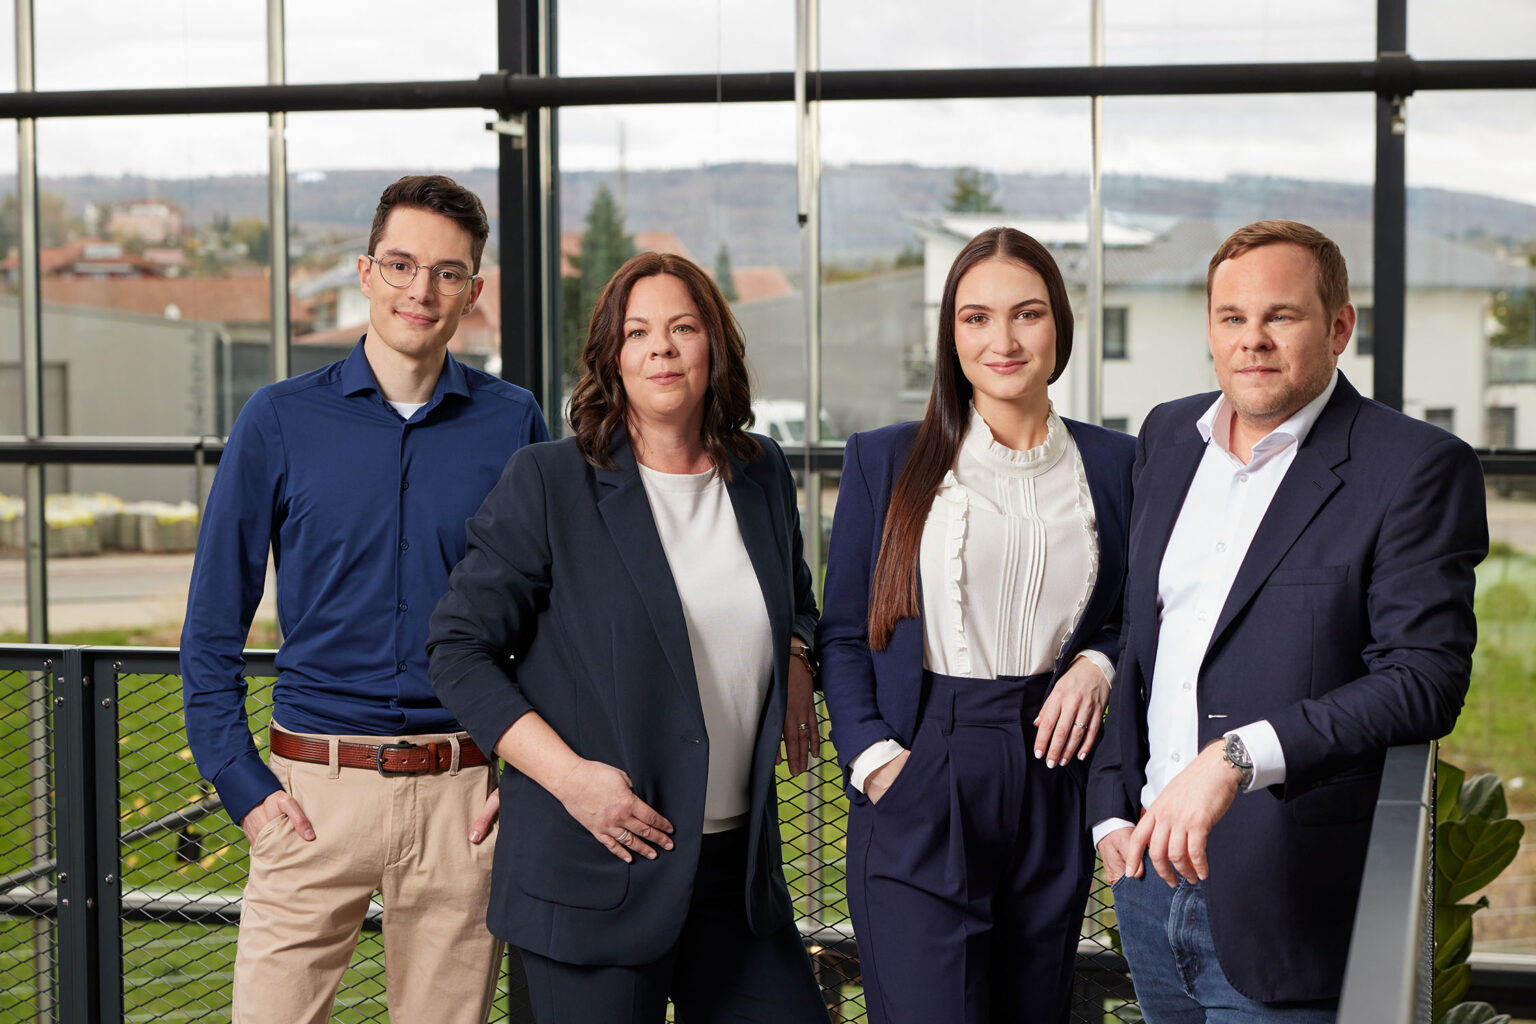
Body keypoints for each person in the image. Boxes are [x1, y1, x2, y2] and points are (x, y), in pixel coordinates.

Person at [1089, 220, 1488, 1021]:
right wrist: (1109, 805)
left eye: (1282, 316)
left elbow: (1425, 679)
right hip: (1145, 878)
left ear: (1339, 326)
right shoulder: (1169, 435)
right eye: (1232, 318)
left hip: (1287, 895)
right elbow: (1143, 636)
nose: (1253, 341)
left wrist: (1236, 757)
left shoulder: (1413, 467)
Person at [181, 174, 550, 1024]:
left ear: (474, 292)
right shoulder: (276, 420)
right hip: (309, 798)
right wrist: (242, 787)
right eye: (401, 264)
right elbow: (210, 628)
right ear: (365, 271)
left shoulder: (513, 421)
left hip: (464, 798)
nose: (421, 290)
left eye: (447, 273)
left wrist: (523, 780)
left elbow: (552, 615)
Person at [426, 251, 830, 1024]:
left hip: (734, 878)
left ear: (716, 345)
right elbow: (457, 647)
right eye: (638, 332)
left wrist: (796, 653)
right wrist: (570, 779)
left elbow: (796, 600)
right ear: (613, 356)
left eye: (683, 327)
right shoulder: (550, 482)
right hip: (595, 867)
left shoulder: (762, 473)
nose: (662, 348)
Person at [817, 227, 1136, 1024]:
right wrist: (876, 759)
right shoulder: (885, 461)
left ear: (1059, 325)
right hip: (925, 763)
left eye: (1026, 314)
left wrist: (1099, 662)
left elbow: (1149, 611)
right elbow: (846, 632)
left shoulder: (1119, 466)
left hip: (1056, 767)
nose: (1002, 340)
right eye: (976, 318)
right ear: (950, 334)